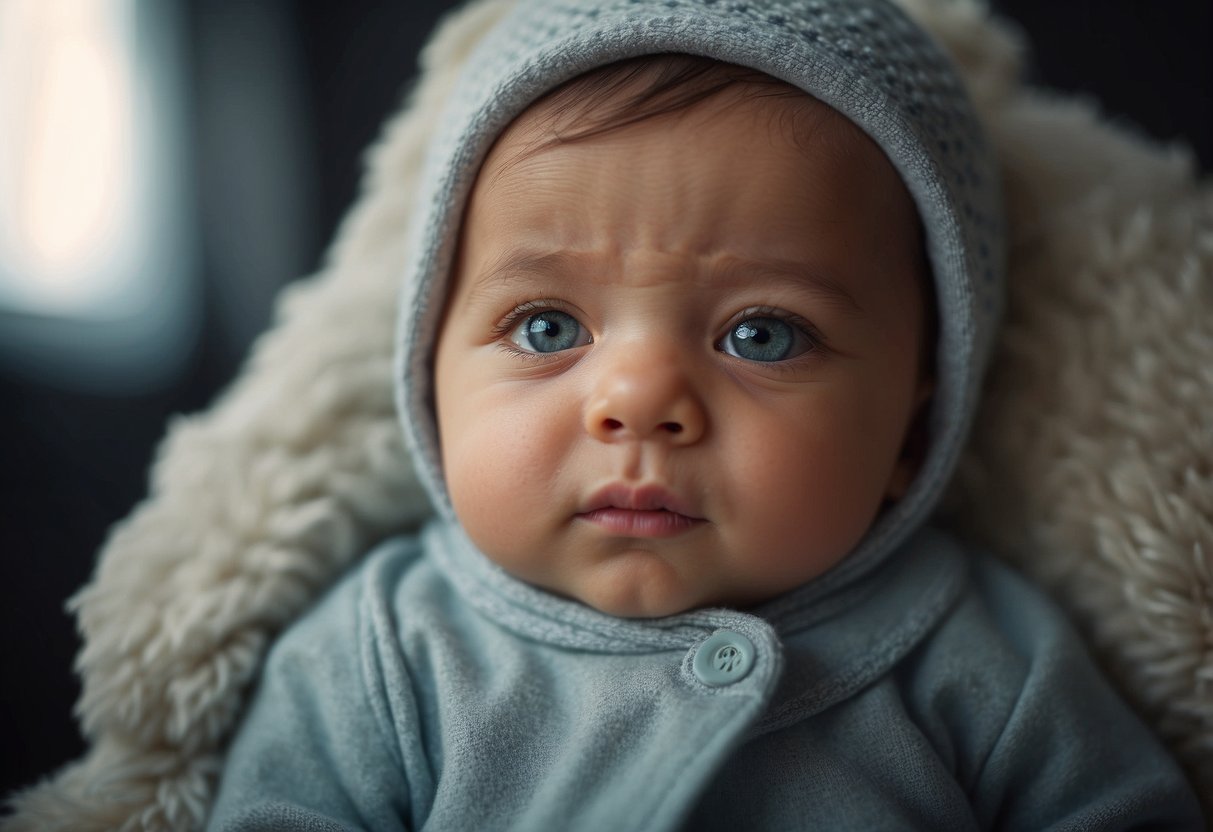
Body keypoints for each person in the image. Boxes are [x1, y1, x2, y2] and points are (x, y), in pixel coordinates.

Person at [207, 0, 1203, 829]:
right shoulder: (385, 652)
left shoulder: (983, 655)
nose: (637, 401)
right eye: (548, 326)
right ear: (424, 369)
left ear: (910, 427)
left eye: (762, 335)